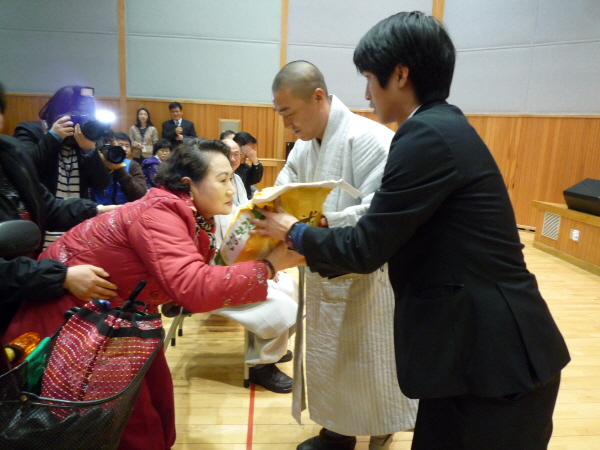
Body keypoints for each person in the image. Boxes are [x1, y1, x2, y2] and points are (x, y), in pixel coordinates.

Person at [253, 12, 570, 450]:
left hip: (495, 355)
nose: (367, 93)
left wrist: (296, 231)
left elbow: (367, 244)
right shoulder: (437, 127)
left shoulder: (424, 136)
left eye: (370, 78)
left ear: (400, 75)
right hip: (470, 345)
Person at [4, 137, 300, 450]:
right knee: (123, 423)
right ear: (188, 185)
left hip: (123, 313)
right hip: (78, 317)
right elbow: (192, 286)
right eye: (222, 179)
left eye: (231, 179)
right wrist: (268, 266)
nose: (230, 189)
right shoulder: (160, 213)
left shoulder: (188, 211)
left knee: (155, 406)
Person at [268, 61, 418, 450]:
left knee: (369, 359)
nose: (286, 123)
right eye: (280, 114)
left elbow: (381, 213)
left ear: (318, 97)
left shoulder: (372, 139)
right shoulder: (303, 148)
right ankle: (337, 431)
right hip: (319, 268)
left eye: (289, 112)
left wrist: (316, 226)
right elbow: (281, 197)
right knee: (330, 357)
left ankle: (381, 425)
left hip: (368, 275)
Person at [0, 81, 118, 335]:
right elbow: (33, 168)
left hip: (54, 240)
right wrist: (53, 137)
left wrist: (97, 210)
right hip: (30, 255)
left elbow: (51, 205)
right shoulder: (29, 134)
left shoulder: (9, 150)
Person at [212, 137, 296, 393]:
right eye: (228, 153)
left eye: (237, 153)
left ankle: (273, 350)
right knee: (280, 305)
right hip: (215, 274)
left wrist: (265, 262)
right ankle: (261, 365)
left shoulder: (237, 179)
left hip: (236, 260)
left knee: (292, 288)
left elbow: (240, 224)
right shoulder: (203, 192)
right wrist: (260, 269)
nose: (233, 158)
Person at [13, 85, 110, 246]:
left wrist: (89, 150)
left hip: (78, 229)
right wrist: (53, 137)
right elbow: (25, 172)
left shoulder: (86, 138)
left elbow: (101, 183)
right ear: (57, 111)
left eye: (84, 116)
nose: (77, 122)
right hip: (41, 227)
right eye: (73, 115)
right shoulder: (31, 130)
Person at [91, 132, 147, 205]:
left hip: (124, 210)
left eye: (127, 146)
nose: (124, 149)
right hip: (99, 210)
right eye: (120, 145)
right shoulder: (95, 163)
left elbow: (140, 195)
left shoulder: (132, 165)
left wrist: (119, 169)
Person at [232, 131, 263, 199]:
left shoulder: (243, 166)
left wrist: (255, 161)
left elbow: (254, 179)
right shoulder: (228, 165)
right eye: (248, 150)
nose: (249, 154)